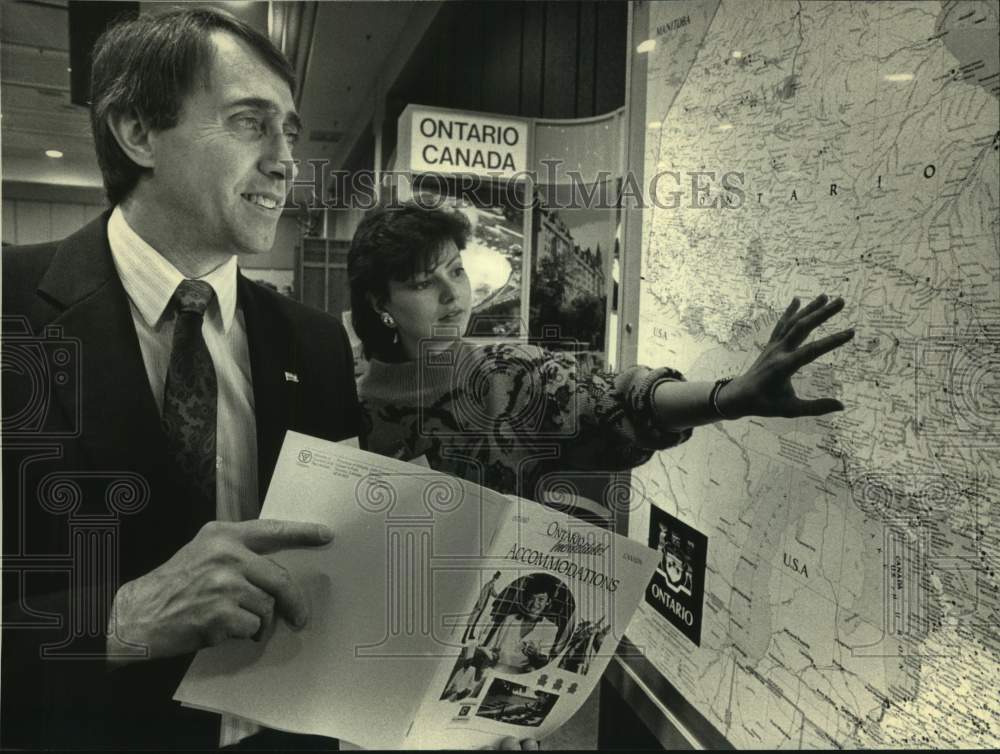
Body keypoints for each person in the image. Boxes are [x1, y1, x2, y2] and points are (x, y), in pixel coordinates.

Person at [0, 9, 359, 750]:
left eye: (289, 130)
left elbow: (332, 567)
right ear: (137, 132)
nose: (286, 158)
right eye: (249, 122)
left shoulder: (317, 345)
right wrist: (120, 620)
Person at [349, 203, 855, 501]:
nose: (452, 296)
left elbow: (617, 399)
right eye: (422, 284)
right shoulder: (338, 408)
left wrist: (727, 396)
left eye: (455, 272)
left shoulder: (511, 374)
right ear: (380, 303)